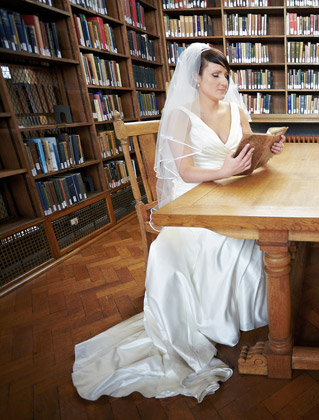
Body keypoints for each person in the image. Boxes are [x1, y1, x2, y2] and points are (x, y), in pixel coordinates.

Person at [72, 43, 284, 402]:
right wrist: (223, 170)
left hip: (232, 192)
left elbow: (247, 155)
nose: (223, 81)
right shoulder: (181, 115)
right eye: (215, 75)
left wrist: (267, 151)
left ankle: (242, 310)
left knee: (262, 230)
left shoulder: (235, 109)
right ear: (196, 78)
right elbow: (184, 170)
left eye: (226, 75)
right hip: (193, 196)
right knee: (217, 241)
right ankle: (209, 319)